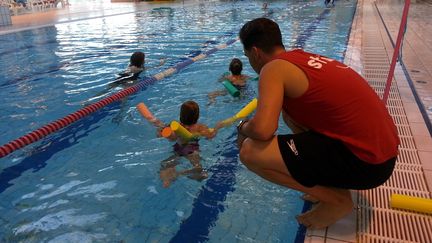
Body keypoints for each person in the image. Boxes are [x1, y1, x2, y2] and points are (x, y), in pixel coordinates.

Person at [236, 18, 399, 229]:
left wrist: (242, 127)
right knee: (288, 114)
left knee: (250, 152)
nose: (250, 62)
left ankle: (337, 200)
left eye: (248, 56)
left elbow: (263, 129)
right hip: (383, 157)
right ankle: (331, 185)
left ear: (256, 52)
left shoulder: (272, 68)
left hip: (367, 165)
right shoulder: (300, 58)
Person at [157, 101, 218, 188]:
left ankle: (166, 180)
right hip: (192, 150)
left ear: (180, 115)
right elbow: (210, 136)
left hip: (178, 148)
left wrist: (161, 129)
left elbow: (160, 134)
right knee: (200, 171)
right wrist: (216, 129)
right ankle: (180, 173)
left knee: (165, 164)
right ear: (197, 116)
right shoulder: (200, 127)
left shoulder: (175, 125)